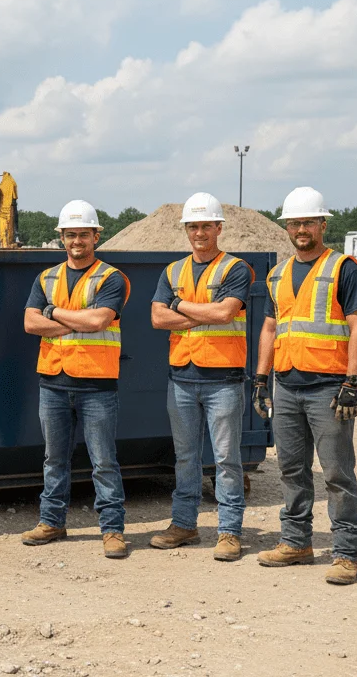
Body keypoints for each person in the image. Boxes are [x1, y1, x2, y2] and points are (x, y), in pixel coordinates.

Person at [253, 186, 357, 585]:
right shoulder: (279, 273)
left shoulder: (343, 268)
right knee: (291, 469)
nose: (301, 229)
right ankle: (296, 542)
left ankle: (346, 552)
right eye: (294, 223)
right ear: (287, 226)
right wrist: (261, 378)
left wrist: (352, 382)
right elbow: (271, 327)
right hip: (286, 384)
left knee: (337, 473)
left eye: (308, 222)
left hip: (328, 388)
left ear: (322, 224)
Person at [19, 200, 132, 559]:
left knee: (103, 461)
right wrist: (74, 318)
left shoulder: (111, 278)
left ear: (97, 236)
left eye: (83, 234)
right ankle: (51, 521)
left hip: (96, 384)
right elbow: (29, 323)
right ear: (62, 238)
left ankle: (112, 530)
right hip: (53, 381)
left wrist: (53, 313)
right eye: (70, 235)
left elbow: (99, 321)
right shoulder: (46, 277)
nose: (77, 240)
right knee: (54, 459)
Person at [149, 193, 253, 561]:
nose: (198, 232)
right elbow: (157, 319)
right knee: (185, 458)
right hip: (182, 378)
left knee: (226, 459)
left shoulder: (235, 269)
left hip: (222, 378)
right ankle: (184, 524)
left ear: (218, 228)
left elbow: (225, 313)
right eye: (192, 226)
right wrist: (198, 313)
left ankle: (228, 532)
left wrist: (178, 305)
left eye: (205, 225)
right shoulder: (172, 271)